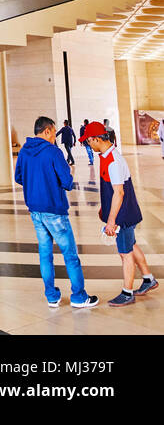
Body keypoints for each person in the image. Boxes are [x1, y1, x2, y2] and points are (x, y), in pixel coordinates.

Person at [14, 116, 98, 309]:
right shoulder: (53, 152)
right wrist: (69, 173)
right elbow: (67, 182)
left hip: (35, 210)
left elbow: (19, 177)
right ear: (46, 131)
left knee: (45, 255)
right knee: (70, 255)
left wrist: (35, 183)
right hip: (55, 210)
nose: (55, 136)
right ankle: (79, 296)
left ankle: (51, 296)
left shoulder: (24, 151)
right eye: (53, 132)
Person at [84, 121, 157, 306]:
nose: (88, 144)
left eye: (88, 141)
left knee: (125, 253)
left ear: (96, 139)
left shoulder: (113, 161)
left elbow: (119, 192)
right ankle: (148, 279)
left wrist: (111, 221)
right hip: (126, 213)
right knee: (131, 245)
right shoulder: (107, 156)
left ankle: (127, 293)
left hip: (122, 217)